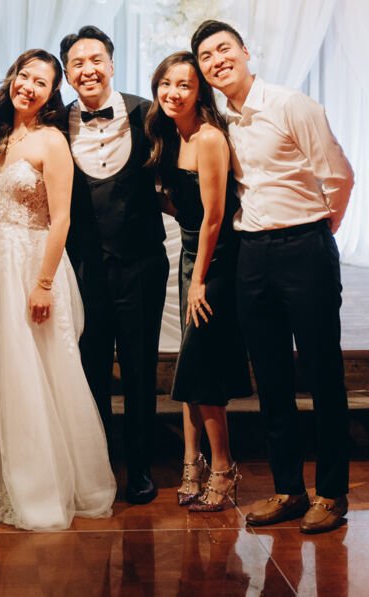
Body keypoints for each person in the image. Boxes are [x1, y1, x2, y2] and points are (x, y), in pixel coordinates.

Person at [0, 49, 116, 531]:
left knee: (33, 369)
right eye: (24, 76)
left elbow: (62, 219)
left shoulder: (51, 141)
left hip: (29, 264)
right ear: (12, 78)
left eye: (41, 82)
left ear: (52, 93)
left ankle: (37, 485)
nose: (28, 86)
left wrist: (43, 284)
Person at [192, 19, 355, 535]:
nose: (217, 61)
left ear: (245, 52)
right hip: (252, 255)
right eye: (206, 57)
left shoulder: (291, 104)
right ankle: (288, 489)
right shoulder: (221, 121)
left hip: (305, 247)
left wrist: (318, 231)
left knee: (323, 374)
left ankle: (331, 493)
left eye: (224, 49)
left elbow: (339, 176)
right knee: (271, 379)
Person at [58, 26, 167, 505]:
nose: (88, 70)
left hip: (141, 264)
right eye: (77, 63)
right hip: (83, 268)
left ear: (112, 64)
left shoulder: (149, 115)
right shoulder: (55, 124)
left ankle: (140, 467)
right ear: (67, 74)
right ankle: (97, 466)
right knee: (90, 369)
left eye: (96, 59)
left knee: (141, 368)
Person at [144, 52, 252, 513]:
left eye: (184, 85)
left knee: (202, 367)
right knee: (191, 367)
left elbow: (214, 217)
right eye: (166, 83)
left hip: (217, 261)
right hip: (193, 256)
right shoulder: (170, 134)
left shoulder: (208, 137)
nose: (174, 93)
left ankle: (223, 469)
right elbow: (181, 206)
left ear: (199, 92)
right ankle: (192, 462)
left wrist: (199, 280)